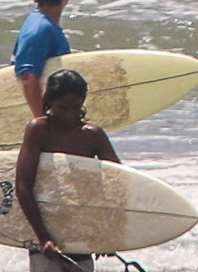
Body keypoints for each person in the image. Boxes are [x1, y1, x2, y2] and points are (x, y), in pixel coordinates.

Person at [16, 69, 119, 272]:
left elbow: (117, 185)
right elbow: (23, 186)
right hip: (44, 229)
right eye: (63, 108)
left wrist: (106, 234)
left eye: (75, 107)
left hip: (80, 231)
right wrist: (43, 237)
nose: (70, 115)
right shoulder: (39, 130)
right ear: (50, 102)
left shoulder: (93, 135)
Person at [13, 0, 75, 118]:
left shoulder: (43, 25)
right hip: (43, 122)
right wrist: (42, 122)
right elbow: (28, 77)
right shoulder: (40, 28)